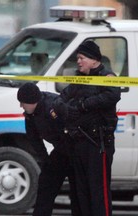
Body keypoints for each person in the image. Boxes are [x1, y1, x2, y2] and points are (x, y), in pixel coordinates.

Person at [51, 40, 121, 216]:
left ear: (93, 59)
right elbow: (61, 98)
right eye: (78, 58)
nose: (79, 62)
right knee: (81, 193)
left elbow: (113, 95)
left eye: (81, 58)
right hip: (79, 143)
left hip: (99, 144)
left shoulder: (107, 77)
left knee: (99, 192)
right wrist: (64, 108)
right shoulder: (80, 79)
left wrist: (83, 105)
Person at [17, 82, 81, 216]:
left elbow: (71, 129)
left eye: (22, 102)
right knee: (46, 184)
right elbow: (34, 139)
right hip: (61, 151)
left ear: (31, 100)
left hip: (76, 151)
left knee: (77, 192)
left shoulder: (53, 107)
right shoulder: (30, 114)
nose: (21, 106)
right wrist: (46, 160)